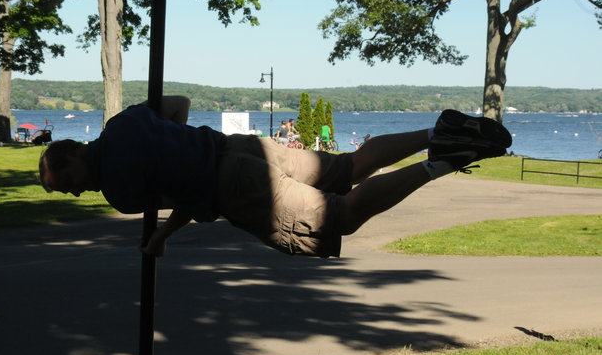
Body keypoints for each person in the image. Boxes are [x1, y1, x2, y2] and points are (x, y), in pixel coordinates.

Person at [39, 96, 511, 258]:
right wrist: (178, 142)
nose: (75, 191)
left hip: (238, 187)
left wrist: (162, 235)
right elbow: (179, 105)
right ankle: (437, 132)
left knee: (340, 216)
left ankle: (445, 160)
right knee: (349, 167)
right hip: (242, 147)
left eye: (67, 181)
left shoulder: (118, 193)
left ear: (75, 155)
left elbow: (187, 197)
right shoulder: (124, 122)